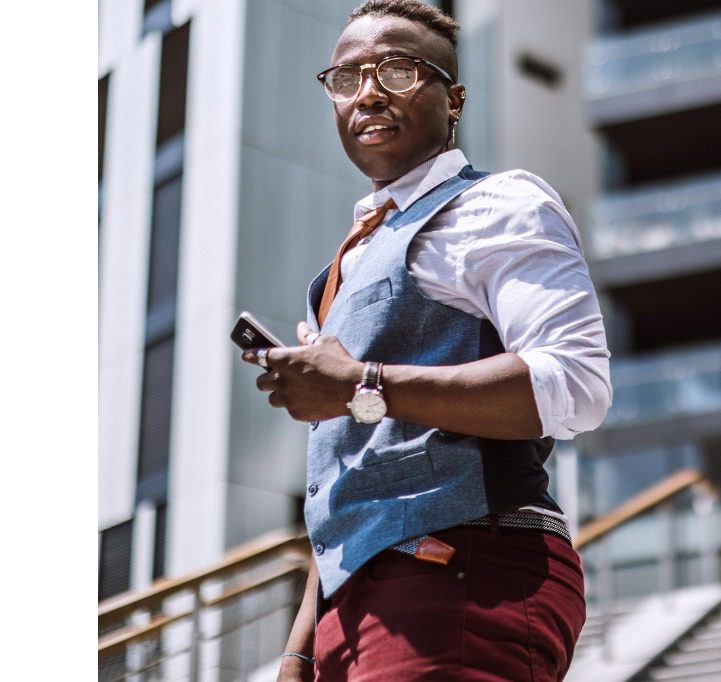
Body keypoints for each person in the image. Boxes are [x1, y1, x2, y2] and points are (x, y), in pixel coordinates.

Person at [242, 1, 611, 679]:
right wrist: (299, 649)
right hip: (352, 607)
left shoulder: (498, 205)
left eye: (399, 70)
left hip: (464, 569)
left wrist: (360, 384)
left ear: (455, 100)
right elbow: (347, 476)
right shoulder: (340, 267)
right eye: (347, 77)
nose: (370, 90)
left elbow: (576, 386)